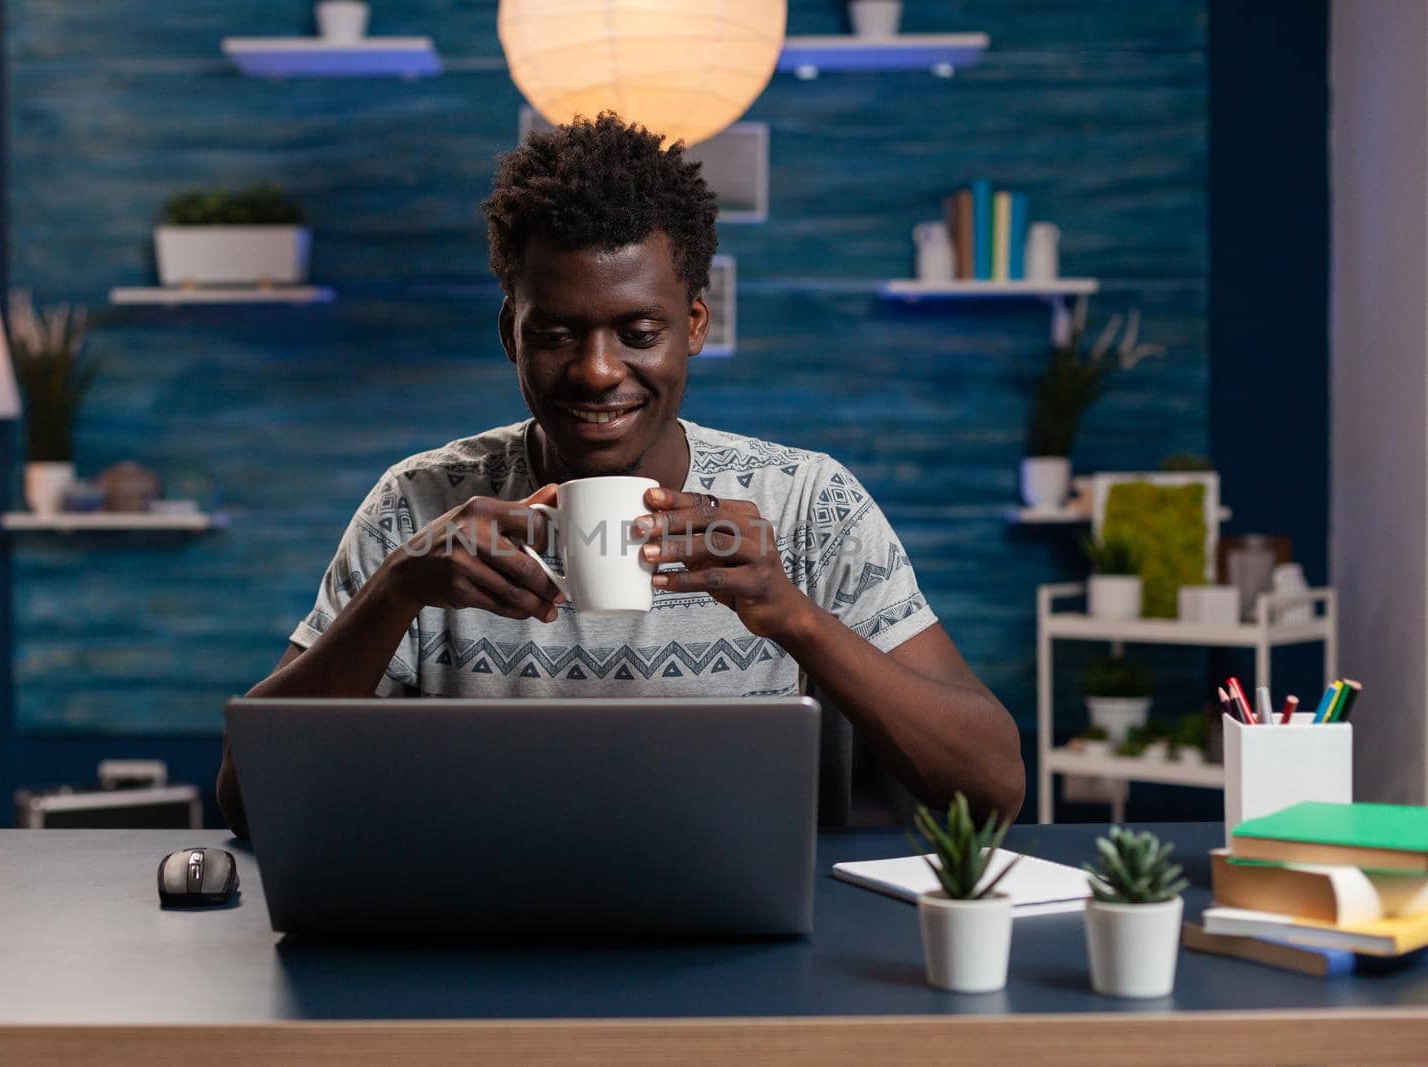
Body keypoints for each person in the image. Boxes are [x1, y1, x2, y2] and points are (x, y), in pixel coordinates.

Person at [217, 114, 1023, 839]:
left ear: (694, 325)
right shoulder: (419, 505)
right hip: (483, 945)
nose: (598, 371)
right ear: (511, 333)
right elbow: (248, 797)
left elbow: (993, 788)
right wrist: (394, 591)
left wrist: (792, 614)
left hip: (740, 954)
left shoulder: (809, 504)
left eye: (638, 331)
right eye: (559, 333)